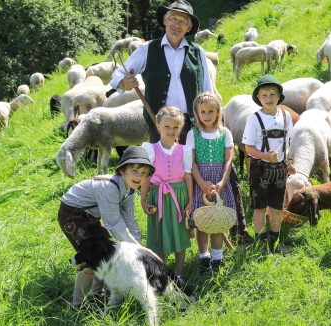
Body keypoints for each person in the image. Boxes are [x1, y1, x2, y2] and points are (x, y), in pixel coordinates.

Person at [110, 0, 254, 244]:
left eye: (182, 21)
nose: (176, 24)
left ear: (188, 27)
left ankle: (236, 227)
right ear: (165, 21)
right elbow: (118, 73)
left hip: (194, 125)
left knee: (213, 171)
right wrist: (124, 83)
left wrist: (215, 123)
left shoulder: (197, 52)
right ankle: (169, 235)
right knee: (163, 177)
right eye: (173, 19)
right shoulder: (148, 49)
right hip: (161, 127)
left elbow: (208, 91)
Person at [58, 146, 154, 308]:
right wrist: (138, 249)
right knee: (91, 257)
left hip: (91, 216)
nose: (139, 176)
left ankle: (97, 294)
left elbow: (129, 220)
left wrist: (138, 249)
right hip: (72, 214)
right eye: (135, 170)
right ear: (122, 170)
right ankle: (77, 305)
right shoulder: (109, 188)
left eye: (144, 173)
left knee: (107, 252)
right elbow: (114, 224)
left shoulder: (129, 190)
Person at [140, 106, 193, 290]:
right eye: (167, 126)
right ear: (158, 126)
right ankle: (160, 275)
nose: (171, 131)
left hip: (179, 195)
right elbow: (147, 177)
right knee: (159, 237)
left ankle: (179, 275)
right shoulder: (150, 149)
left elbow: (187, 176)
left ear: (181, 128)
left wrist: (191, 200)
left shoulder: (184, 150)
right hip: (158, 196)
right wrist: (143, 199)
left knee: (180, 235)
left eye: (175, 127)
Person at [242, 75, 296, 254]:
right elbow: (248, 147)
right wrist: (265, 155)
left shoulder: (286, 117)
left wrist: (288, 162)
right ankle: (260, 243)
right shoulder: (254, 119)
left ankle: (275, 240)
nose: (269, 98)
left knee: (277, 207)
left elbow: (288, 143)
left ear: (279, 96)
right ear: (258, 97)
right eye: (264, 95)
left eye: (273, 94)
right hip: (260, 168)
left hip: (280, 169)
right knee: (259, 208)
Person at [186, 92, 235, 273]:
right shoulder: (193, 134)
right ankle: (204, 257)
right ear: (197, 113)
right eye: (203, 112)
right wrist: (200, 183)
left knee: (218, 222)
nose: (207, 115)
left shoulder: (225, 133)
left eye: (211, 111)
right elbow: (190, 162)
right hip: (201, 181)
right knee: (202, 221)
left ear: (218, 112)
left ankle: (217, 258)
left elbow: (229, 159)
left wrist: (223, 181)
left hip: (219, 180)